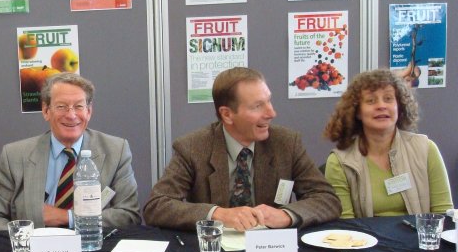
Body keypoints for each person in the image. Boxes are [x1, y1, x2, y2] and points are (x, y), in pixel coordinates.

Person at [143, 67, 340, 231]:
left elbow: (327, 199)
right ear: (227, 114)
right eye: (257, 106)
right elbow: (157, 206)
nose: (271, 113)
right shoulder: (193, 147)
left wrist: (286, 215)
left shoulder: (286, 143)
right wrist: (218, 214)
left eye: (269, 101)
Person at [0, 73, 141, 230]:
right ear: (46, 111)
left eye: (79, 106)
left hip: (93, 247)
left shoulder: (116, 151)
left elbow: (130, 215)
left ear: (89, 112)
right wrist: (25, 240)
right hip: (33, 251)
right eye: (61, 106)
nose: (71, 115)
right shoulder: (15, 155)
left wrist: (68, 217)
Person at [323, 68, 452, 218]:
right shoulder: (340, 162)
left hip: (419, 240)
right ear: (357, 111)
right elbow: (345, 229)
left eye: (388, 98)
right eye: (371, 100)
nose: (381, 106)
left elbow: (444, 216)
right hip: (365, 240)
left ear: (399, 106)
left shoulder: (426, 149)